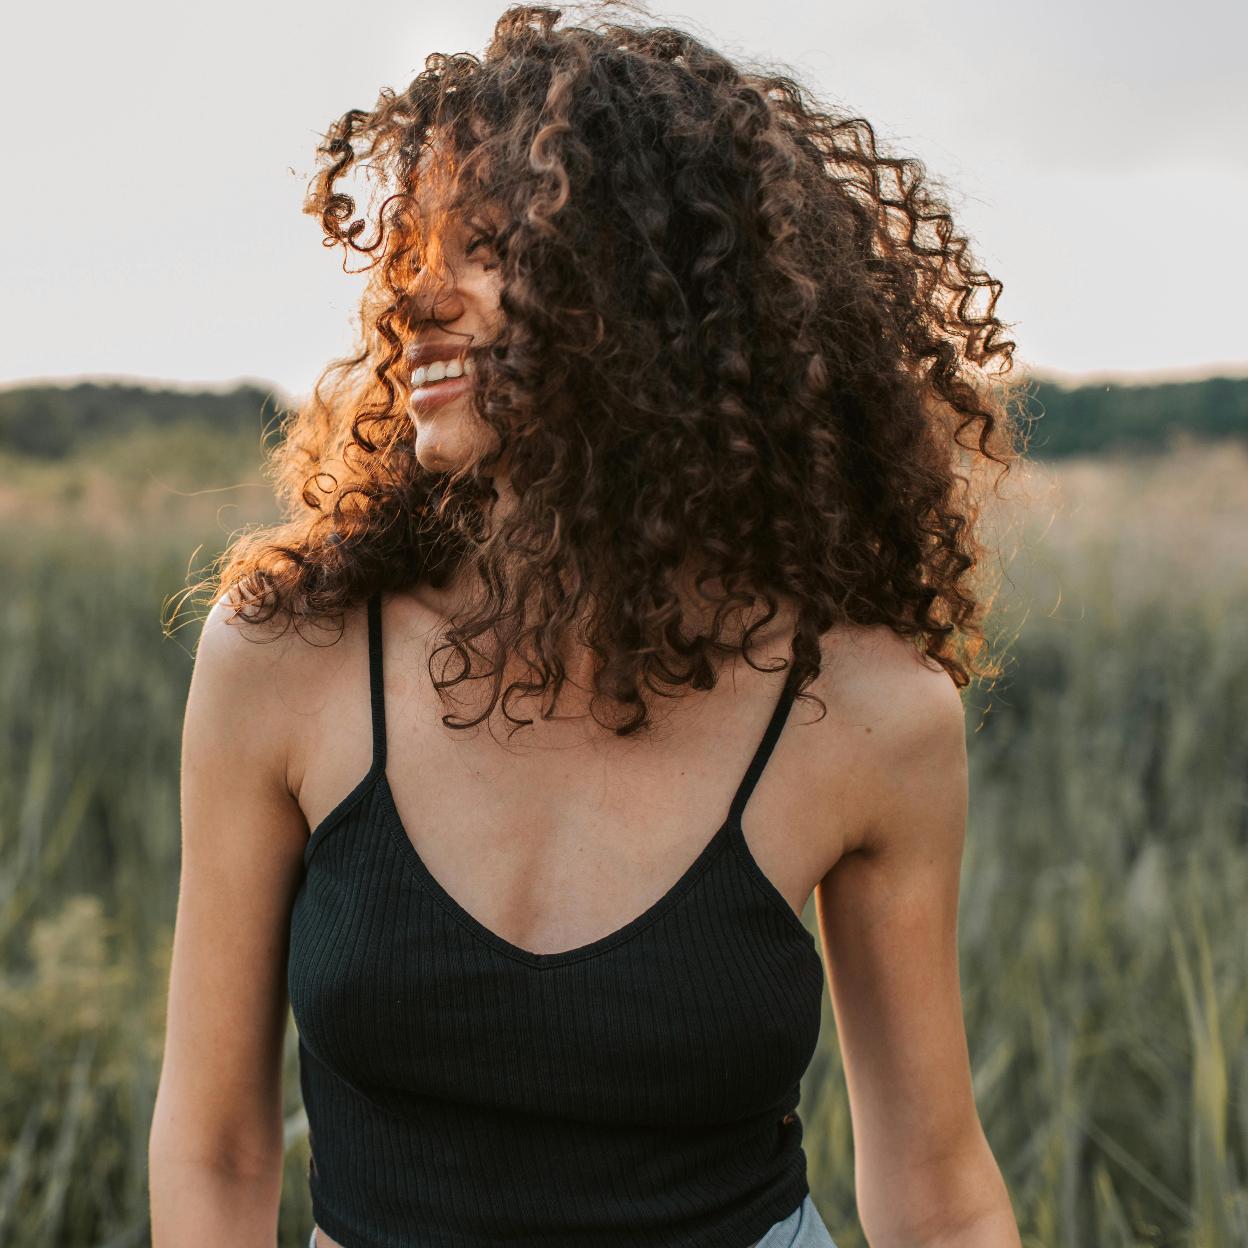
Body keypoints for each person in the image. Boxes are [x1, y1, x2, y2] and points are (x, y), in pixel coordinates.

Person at [149, 3, 1026, 1245]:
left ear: (654, 295)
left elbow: (936, 1188)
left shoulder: (866, 713)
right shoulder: (287, 656)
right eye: (412, 251)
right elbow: (215, 1144)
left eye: (491, 246)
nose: (416, 300)